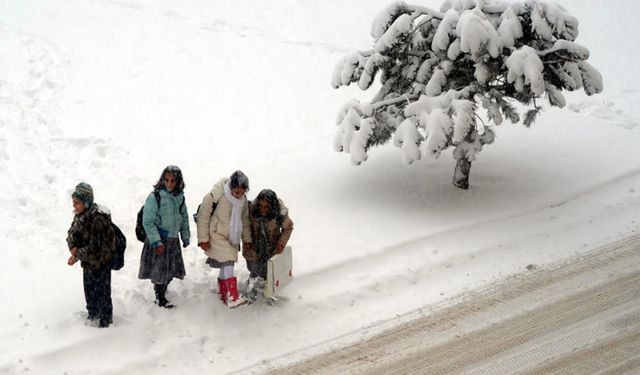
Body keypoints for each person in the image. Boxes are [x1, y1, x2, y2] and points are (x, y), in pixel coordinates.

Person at [196, 170, 252, 307]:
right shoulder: (217, 195)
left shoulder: (243, 202)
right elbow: (203, 216)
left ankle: (222, 293)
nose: (239, 195)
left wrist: (247, 239)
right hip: (216, 234)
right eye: (237, 192)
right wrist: (203, 239)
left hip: (232, 236)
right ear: (231, 187)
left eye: (242, 192)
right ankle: (233, 296)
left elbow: (244, 221)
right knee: (228, 261)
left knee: (225, 263)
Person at [138, 165, 190, 308]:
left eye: (173, 181)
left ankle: (163, 288)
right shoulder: (155, 197)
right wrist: (156, 241)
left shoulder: (180, 198)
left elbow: (184, 218)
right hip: (159, 240)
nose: (169, 184)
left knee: (170, 269)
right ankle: (159, 296)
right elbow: (148, 222)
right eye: (166, 180)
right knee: (159, 270)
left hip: (172, 240)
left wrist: (185, 236)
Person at [66, 182, 115, 328]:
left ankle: (105, 323)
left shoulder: (97, 219)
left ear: (86, 203)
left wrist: (77, 255)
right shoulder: (79, 216)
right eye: (73, 202)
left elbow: (96, 247)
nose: (74, 206)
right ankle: (92, 315)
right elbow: (71, 234)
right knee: (90, 292)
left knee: (102, 292)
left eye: (77, 202)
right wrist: (73, 247)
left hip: (101, 264)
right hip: (88, 264)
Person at [243, 189, 294, 300]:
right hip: (254, 246)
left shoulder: (279, 214)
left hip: (271, 247)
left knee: (267, 270)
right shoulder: (251, 209)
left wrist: (281, 243)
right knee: (253, 267)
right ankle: (253, 288)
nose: (263, 209)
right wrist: (247, 240)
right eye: (261, 206)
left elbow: (288, 228)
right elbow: (245, 224)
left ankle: (263, 292)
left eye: (266, 207)